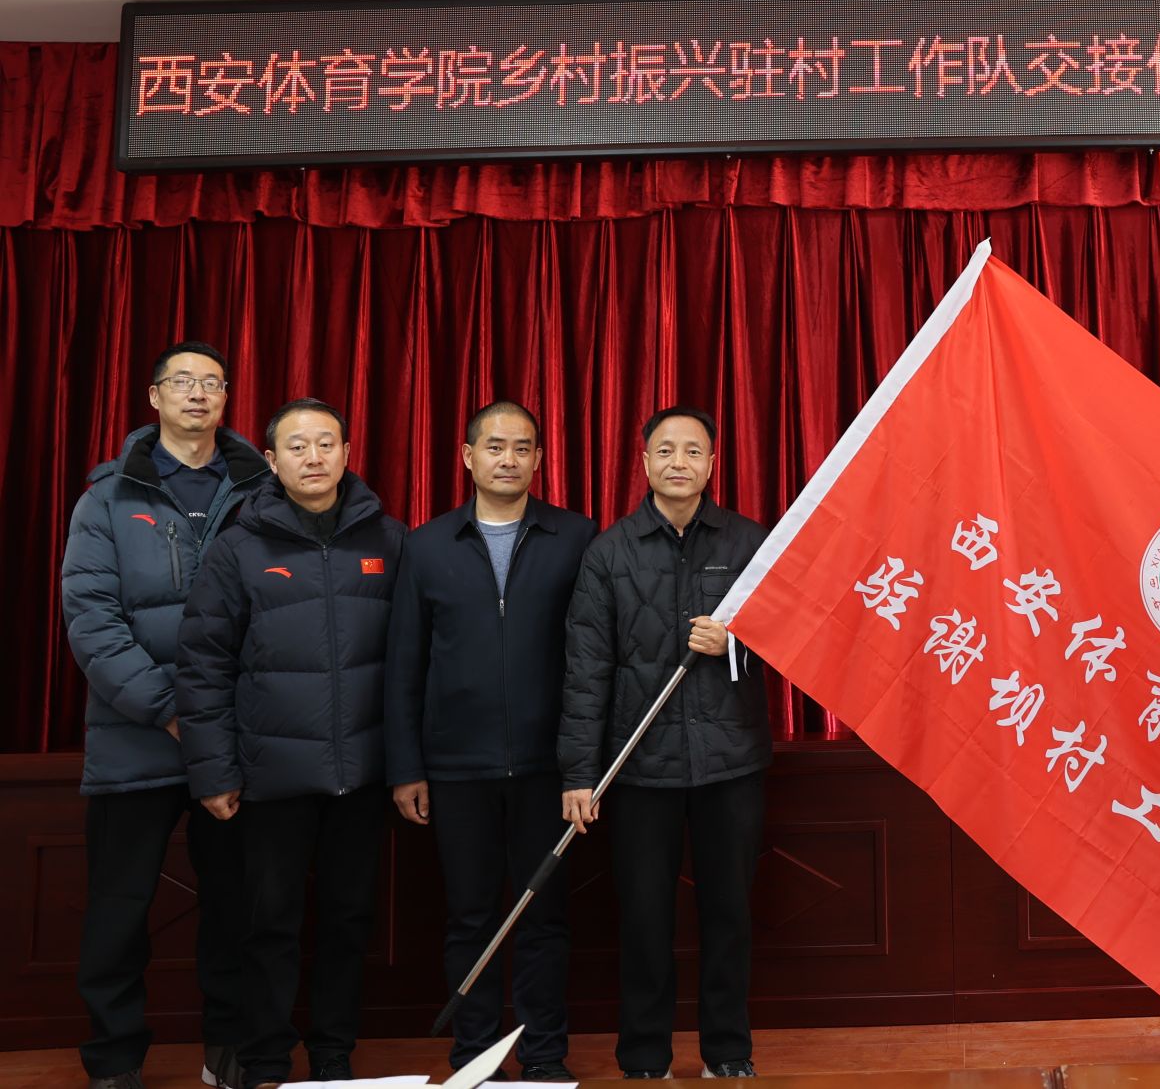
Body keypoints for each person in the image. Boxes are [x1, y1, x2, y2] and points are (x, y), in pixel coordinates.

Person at [176, 398, 408, 1089]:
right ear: (272, 461)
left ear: (347, 453)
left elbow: (416, 662)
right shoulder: (239, 547)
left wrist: (407, 766)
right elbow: (203, 664)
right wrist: (213, 771)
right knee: (269, 923)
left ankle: (333, 1053)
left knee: (348, 920)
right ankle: (267, 1057)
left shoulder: (390, 540)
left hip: (363, 774)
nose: (314, 457)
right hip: (270, 775)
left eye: (326, 443)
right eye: (298, 446)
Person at [61, 341, 268, 1089]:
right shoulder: (107, 497)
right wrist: (171, 707)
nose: (198, 393)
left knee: (236, 908)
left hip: (236, 740)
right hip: (135, 739)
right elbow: (91, 619)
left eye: (212, 382)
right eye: (183, 381)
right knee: (119, 911)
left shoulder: (261, 489)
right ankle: (115, 1060)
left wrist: (220, 716)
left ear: (226, 397)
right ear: (154, 396)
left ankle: (230, 1050)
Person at [559, 407, 772, 1080]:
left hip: (729, 760)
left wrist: (736, 642)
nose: (679, 462)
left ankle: (727, 1051)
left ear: (712, 463)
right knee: (645, 917)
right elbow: (586, 668)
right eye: (666, 450)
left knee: (728, 913)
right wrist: (579, 773)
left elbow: (793, 638)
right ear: (645, 461)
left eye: (693, 451)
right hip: (639, 765)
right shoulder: (609, 552)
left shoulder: (748, 541)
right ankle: (645, 1055)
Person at [385, 401, 596, 1082]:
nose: (509, 458)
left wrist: (583, 762)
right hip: (455, 768)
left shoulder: (575, 536)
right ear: (468, 456)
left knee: (543, 917)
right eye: (496, 446)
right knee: (470, 917)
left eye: (523, 447)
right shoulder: (425, 545)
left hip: (549, 767)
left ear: (539, 459)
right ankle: (474, 1058)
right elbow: (405, 663)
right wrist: (407, 766)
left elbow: (594, 656)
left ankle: (544, 1058)